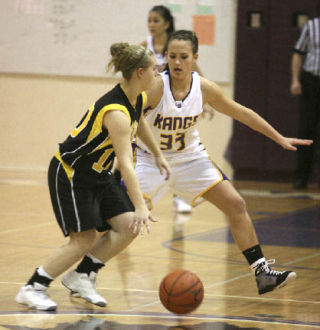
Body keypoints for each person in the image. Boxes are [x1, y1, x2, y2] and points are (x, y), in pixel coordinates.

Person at [134, 30, 313, 295]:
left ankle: (262, 274)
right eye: (172, 56)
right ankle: (86, 270)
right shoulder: (155, 87)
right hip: (151, 160)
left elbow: (242, 113)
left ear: (194, 57)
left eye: (184, 57)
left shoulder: (204, 87)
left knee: (236, 204)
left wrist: (278, 137)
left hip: (190, 159)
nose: (177, 63)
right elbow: (127, 117)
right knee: (125, 223)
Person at [15, 42, 170, 311]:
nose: (157, 74)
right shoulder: (116, 113)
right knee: (83, 239)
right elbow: (125, 163)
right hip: (72, 174)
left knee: (129, 225)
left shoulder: (136, 98)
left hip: (98, 175)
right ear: (140, 73)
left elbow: (140, 121)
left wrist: (156, 153)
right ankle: (33, 287)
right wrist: (142, 205)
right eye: (154, 69)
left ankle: (82, 275)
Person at [140, 5, 214, 213]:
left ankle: (181, 195)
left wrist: (203, 99)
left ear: (166, 23)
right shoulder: (146, 46)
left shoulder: (178, 45)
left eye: (156, 20)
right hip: (154, 106)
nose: (151, 25)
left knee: (181, 147)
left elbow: (195, 73)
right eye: (149, 20)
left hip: (175, 104)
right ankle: (122, 194)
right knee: (134, 152)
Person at [290, 16, 320, 189]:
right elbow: (298, 54)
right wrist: (295, 80)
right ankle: (301, 177)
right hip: (311, 80)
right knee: (307, 130)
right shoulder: (312, 26)